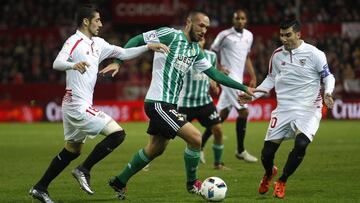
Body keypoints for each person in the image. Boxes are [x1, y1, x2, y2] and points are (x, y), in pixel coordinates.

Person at [100, 11, 263, 200]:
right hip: (158, 103)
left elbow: (215, 74)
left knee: (156, 148)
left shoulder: (195, 50)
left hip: (170, 105)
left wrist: (243, 87)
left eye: (207, 27)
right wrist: (118, 62)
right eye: (201, 25)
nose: (204, 30)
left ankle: (119, 181)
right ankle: (192, 184)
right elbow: (138, 39)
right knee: (195, 138)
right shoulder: (170, 35)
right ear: (188, 22)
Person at [29, 6, 168, 203]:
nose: (101, 24)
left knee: (72, 150)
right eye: (97, 20)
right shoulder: (74, 41)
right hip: (76, 103)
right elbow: (57, 63)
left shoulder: (98, 43)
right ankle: (83, 170)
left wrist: (147, 47)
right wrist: (72, 65)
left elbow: (124, 52)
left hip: (75, 104)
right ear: (86, 21)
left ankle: (40, 188)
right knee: (118, 134)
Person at [238, 17, 335, 199]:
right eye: (281, 35)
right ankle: (269, 173)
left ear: (298, 34)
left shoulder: (314, 54)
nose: (284, 39)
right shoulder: (277, 55)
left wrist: (328, 93)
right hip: (283, 109)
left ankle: (282, 180)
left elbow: (328, 77)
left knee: (301, 144)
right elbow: (271, 79)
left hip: (308, 109)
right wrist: (253, 95)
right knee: (266, 155)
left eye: (288, 35)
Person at [201, 9, 258, 163]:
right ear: (233, 20)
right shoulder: (224, 35)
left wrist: (253, 76)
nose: (240, 21)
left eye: (243, 18)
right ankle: (240, 151)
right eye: (237, 18)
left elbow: (246, 57)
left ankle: (199, 146)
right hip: (227, 79)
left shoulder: (249, 36)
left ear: (246, 20)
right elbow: (211, 52)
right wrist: (218, 67)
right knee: (244, 112)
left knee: (221, 116)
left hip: (238, 79)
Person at [177, 38, 229, 170]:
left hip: (204, 102)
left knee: (218, 130)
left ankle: (218, 163)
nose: (200, 41)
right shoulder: (183, 55)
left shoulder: (211, 56)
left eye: (202, 38)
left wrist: (214, 83)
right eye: (197, 39)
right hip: (185, 103)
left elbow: (211, 73)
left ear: (205, 41)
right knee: (166, 135)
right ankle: (148, 158)